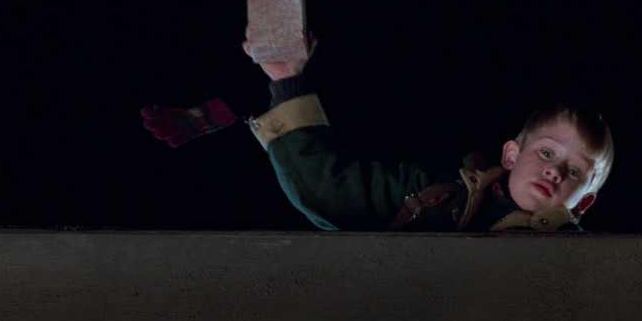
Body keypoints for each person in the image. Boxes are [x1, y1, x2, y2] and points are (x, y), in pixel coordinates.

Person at [238, 30, 615, 232]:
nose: (554, 171)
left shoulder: (585, 262)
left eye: (574, 171)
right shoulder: (432, 198)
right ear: (511, 155)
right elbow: (329, 191)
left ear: (584, 203)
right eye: (546, 153)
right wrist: (288, 82)